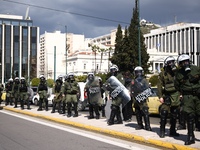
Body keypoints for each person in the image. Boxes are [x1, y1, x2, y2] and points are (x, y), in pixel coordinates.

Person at [174, 54, 200, 145]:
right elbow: (177, 85)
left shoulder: (196, 69)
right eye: (183, 62)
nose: (186, 63)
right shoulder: (179, 73)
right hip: (187, 97)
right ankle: (190, 136)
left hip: (198, 96)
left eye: (187, 61)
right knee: (190, 116)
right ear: (180, 64)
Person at [157, 56, 180, 138]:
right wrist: (160, 96)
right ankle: (162, 130)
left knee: (174, 114)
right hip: (166, 95)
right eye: (170, 62)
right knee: (164, 113)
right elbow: (159, 86)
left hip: (176, 95)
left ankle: (172, 130)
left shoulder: (177, 72)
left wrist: (181, 94)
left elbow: (181, 83)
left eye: (173, 62)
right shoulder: (163, 74)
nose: (172, 64)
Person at [131, 66, 152, 131]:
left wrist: (143, 95)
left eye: (139, 72)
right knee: (137, 111)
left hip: (142, 97)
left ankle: (147, 126)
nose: (138, 74)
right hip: (136, 98)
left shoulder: (144, 80)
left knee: (145, 111)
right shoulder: (133, 81)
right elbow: (131, 89)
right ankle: (140, 125)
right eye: (137, 72)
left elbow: (148, 89)